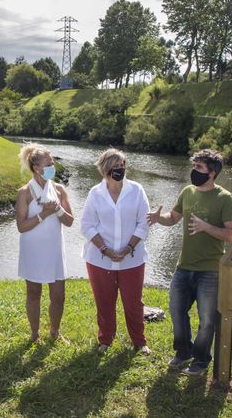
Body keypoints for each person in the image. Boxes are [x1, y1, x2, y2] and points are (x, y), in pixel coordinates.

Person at [147, 149, 232, 376]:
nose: (193, 171)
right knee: (177, 311)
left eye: (199, 168)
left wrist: (206, 226)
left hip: (210, 271)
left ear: (212, 172)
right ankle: (183, 352)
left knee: (207, 320)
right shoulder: (187, 192)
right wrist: (159, 218)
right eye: (194, 166)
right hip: (183, 267)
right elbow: (173, 218)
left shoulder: (225, 198)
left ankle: (200, 360)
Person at [80, 148, 151, 355]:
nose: (120, 170)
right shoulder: (95, 193)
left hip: (132, 258)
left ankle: (139, 341)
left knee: (133, 302)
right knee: (104, 301)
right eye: (115, 167)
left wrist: (129, 247)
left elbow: (143, 223)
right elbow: (87, 225)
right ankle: (105, 339)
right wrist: (105, 249)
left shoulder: (137, 190)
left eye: (122, 166)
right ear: (105, 170)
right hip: (100, 258)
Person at [15, 143, 74, 343]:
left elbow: (70, 221)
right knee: (34, 292)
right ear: (36, 168)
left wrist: (57, 209)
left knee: (59, 295)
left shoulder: (59, 189)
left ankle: (55, 332)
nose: (52, 166)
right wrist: (43, 214)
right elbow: (21, 227)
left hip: (54, 250)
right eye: (49, 163)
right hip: (33, 249)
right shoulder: (24, 192)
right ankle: (34, 334)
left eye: (53, 163)